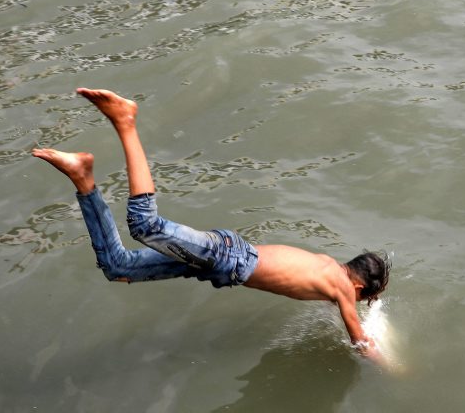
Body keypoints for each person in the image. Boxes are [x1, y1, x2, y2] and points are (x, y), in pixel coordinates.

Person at [32, 88, 390, 365]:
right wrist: (392, 367)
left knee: (118, 267)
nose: (355, 302)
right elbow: (359, 341)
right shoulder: (342, 287)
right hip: (226, 257)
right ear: (357, 286)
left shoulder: (328, 268)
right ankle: (125, 121)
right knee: (144, 224)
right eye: (363, 297)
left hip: (216, 261)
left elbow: (320, 296)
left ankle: (82, 177)